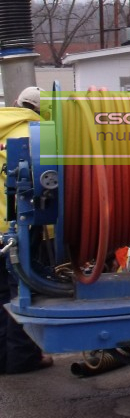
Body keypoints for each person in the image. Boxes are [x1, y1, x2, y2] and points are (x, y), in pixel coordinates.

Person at [0, 86, 52, 374]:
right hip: (18, 224)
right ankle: (22, 359)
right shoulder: (42, 133)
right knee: (22, 290)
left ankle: (3, 359)